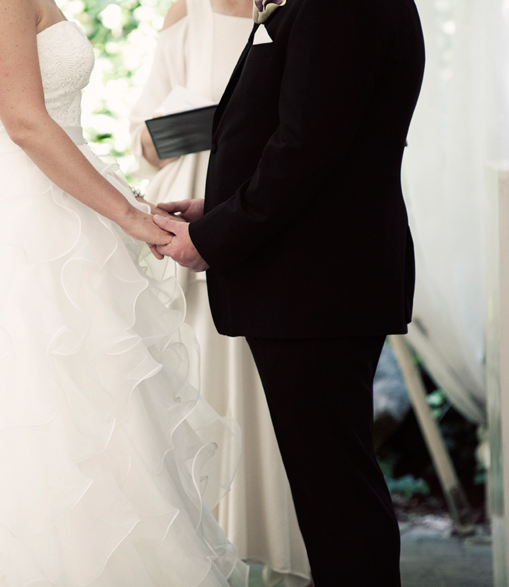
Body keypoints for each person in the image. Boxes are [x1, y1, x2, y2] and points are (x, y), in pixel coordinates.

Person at [0, 0, 250, 584]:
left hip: (65, 215)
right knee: (26, 411)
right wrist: (130, 219)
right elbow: (27, 124)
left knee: (99, 418)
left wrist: (130, 207)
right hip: (17, 231)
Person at [152, 0, 425, 585]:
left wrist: (215, 239)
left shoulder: (341, 9)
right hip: (315, 280)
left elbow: (306, 149)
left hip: (318, 284)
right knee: (331, 490)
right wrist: (214, 208)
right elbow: (313, 142)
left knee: (337, 497)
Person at [129, 0, 311, 584]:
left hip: (263, 207)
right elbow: (142, 137)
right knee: (196, 377)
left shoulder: (294, 11)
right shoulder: (184, 10)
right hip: (190, 207)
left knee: (266, 392)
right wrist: (190, 127)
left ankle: (279, 546)